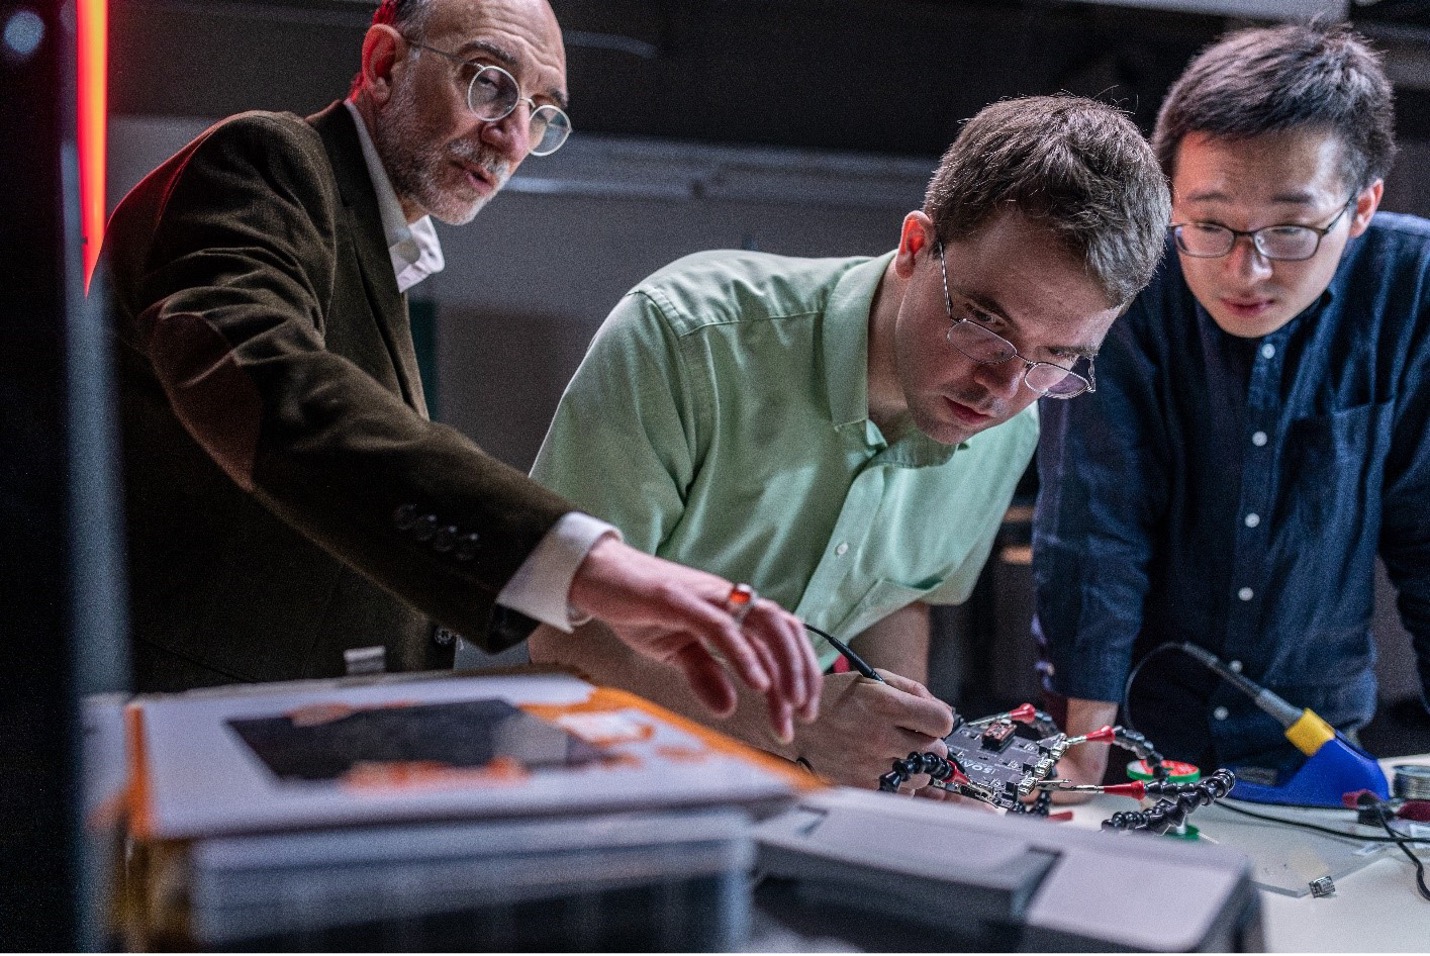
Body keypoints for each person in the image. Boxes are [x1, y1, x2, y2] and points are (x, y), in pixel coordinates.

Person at [99, 0, 822, 740]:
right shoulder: (266, 159)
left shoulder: (379, 245)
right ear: (384, 65)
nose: (512, 137)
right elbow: (271, 385)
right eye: (490, 84)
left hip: (274, 740)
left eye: (541, 113)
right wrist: (591, 566)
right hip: (170, 741)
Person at [527, 95, 1172, 787]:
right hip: (593, 792)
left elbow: (895, 596)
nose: (1002, 386)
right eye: (987, 323)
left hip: (778, 805)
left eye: (1058, 358)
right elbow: (564, 635)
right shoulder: (685, 340)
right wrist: (798, 730)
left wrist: (905, 763)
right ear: (916, 247)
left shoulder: (1011, 426)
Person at [1034, 22, 1430, 787]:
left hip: (1320, 742)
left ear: (1362, 205)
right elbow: (1095, 529)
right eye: (1209, 224)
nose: (1246, 271)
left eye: (1289, 230)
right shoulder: (1126, 277)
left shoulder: (1410, 289)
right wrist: (1082, 767)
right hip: (1134, 737)